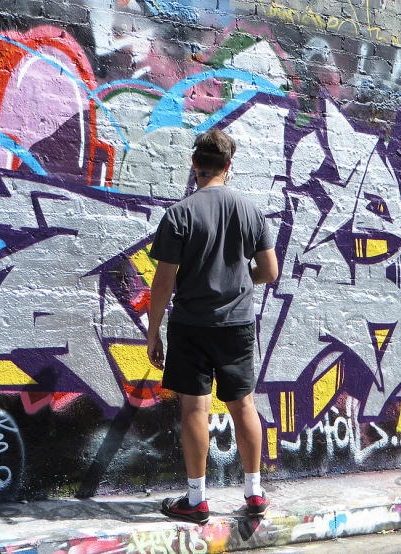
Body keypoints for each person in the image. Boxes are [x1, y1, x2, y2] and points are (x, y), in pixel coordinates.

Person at [146, 128, 278, 525]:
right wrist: (239, 281)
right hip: (237, 324)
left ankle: (196, 499)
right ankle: (254, 495)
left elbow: (164, 281)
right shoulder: (251, 211)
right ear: (229, 166)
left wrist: (153, 332)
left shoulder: (180, 214)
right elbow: (269, 271)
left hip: (191, 325)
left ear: (195, 165)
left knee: (195, 408)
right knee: (244, 406)